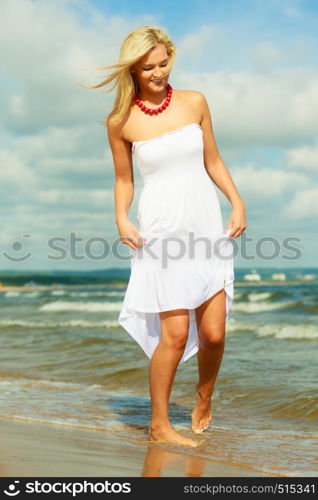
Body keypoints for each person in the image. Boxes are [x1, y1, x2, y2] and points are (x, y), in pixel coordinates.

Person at [82, 25, 247, 448]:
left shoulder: (195, 102)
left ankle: (204, 396)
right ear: (133, 70)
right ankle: (159, 424)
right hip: (161, 234)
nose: (158, 73)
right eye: (147, 67)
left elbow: (213, 159)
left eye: (163, 63)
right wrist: (121, 217)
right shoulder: (120, 121)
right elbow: (123, 180)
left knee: (214, 334)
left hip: (205, 226)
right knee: (173, 334)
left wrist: (237, 201)